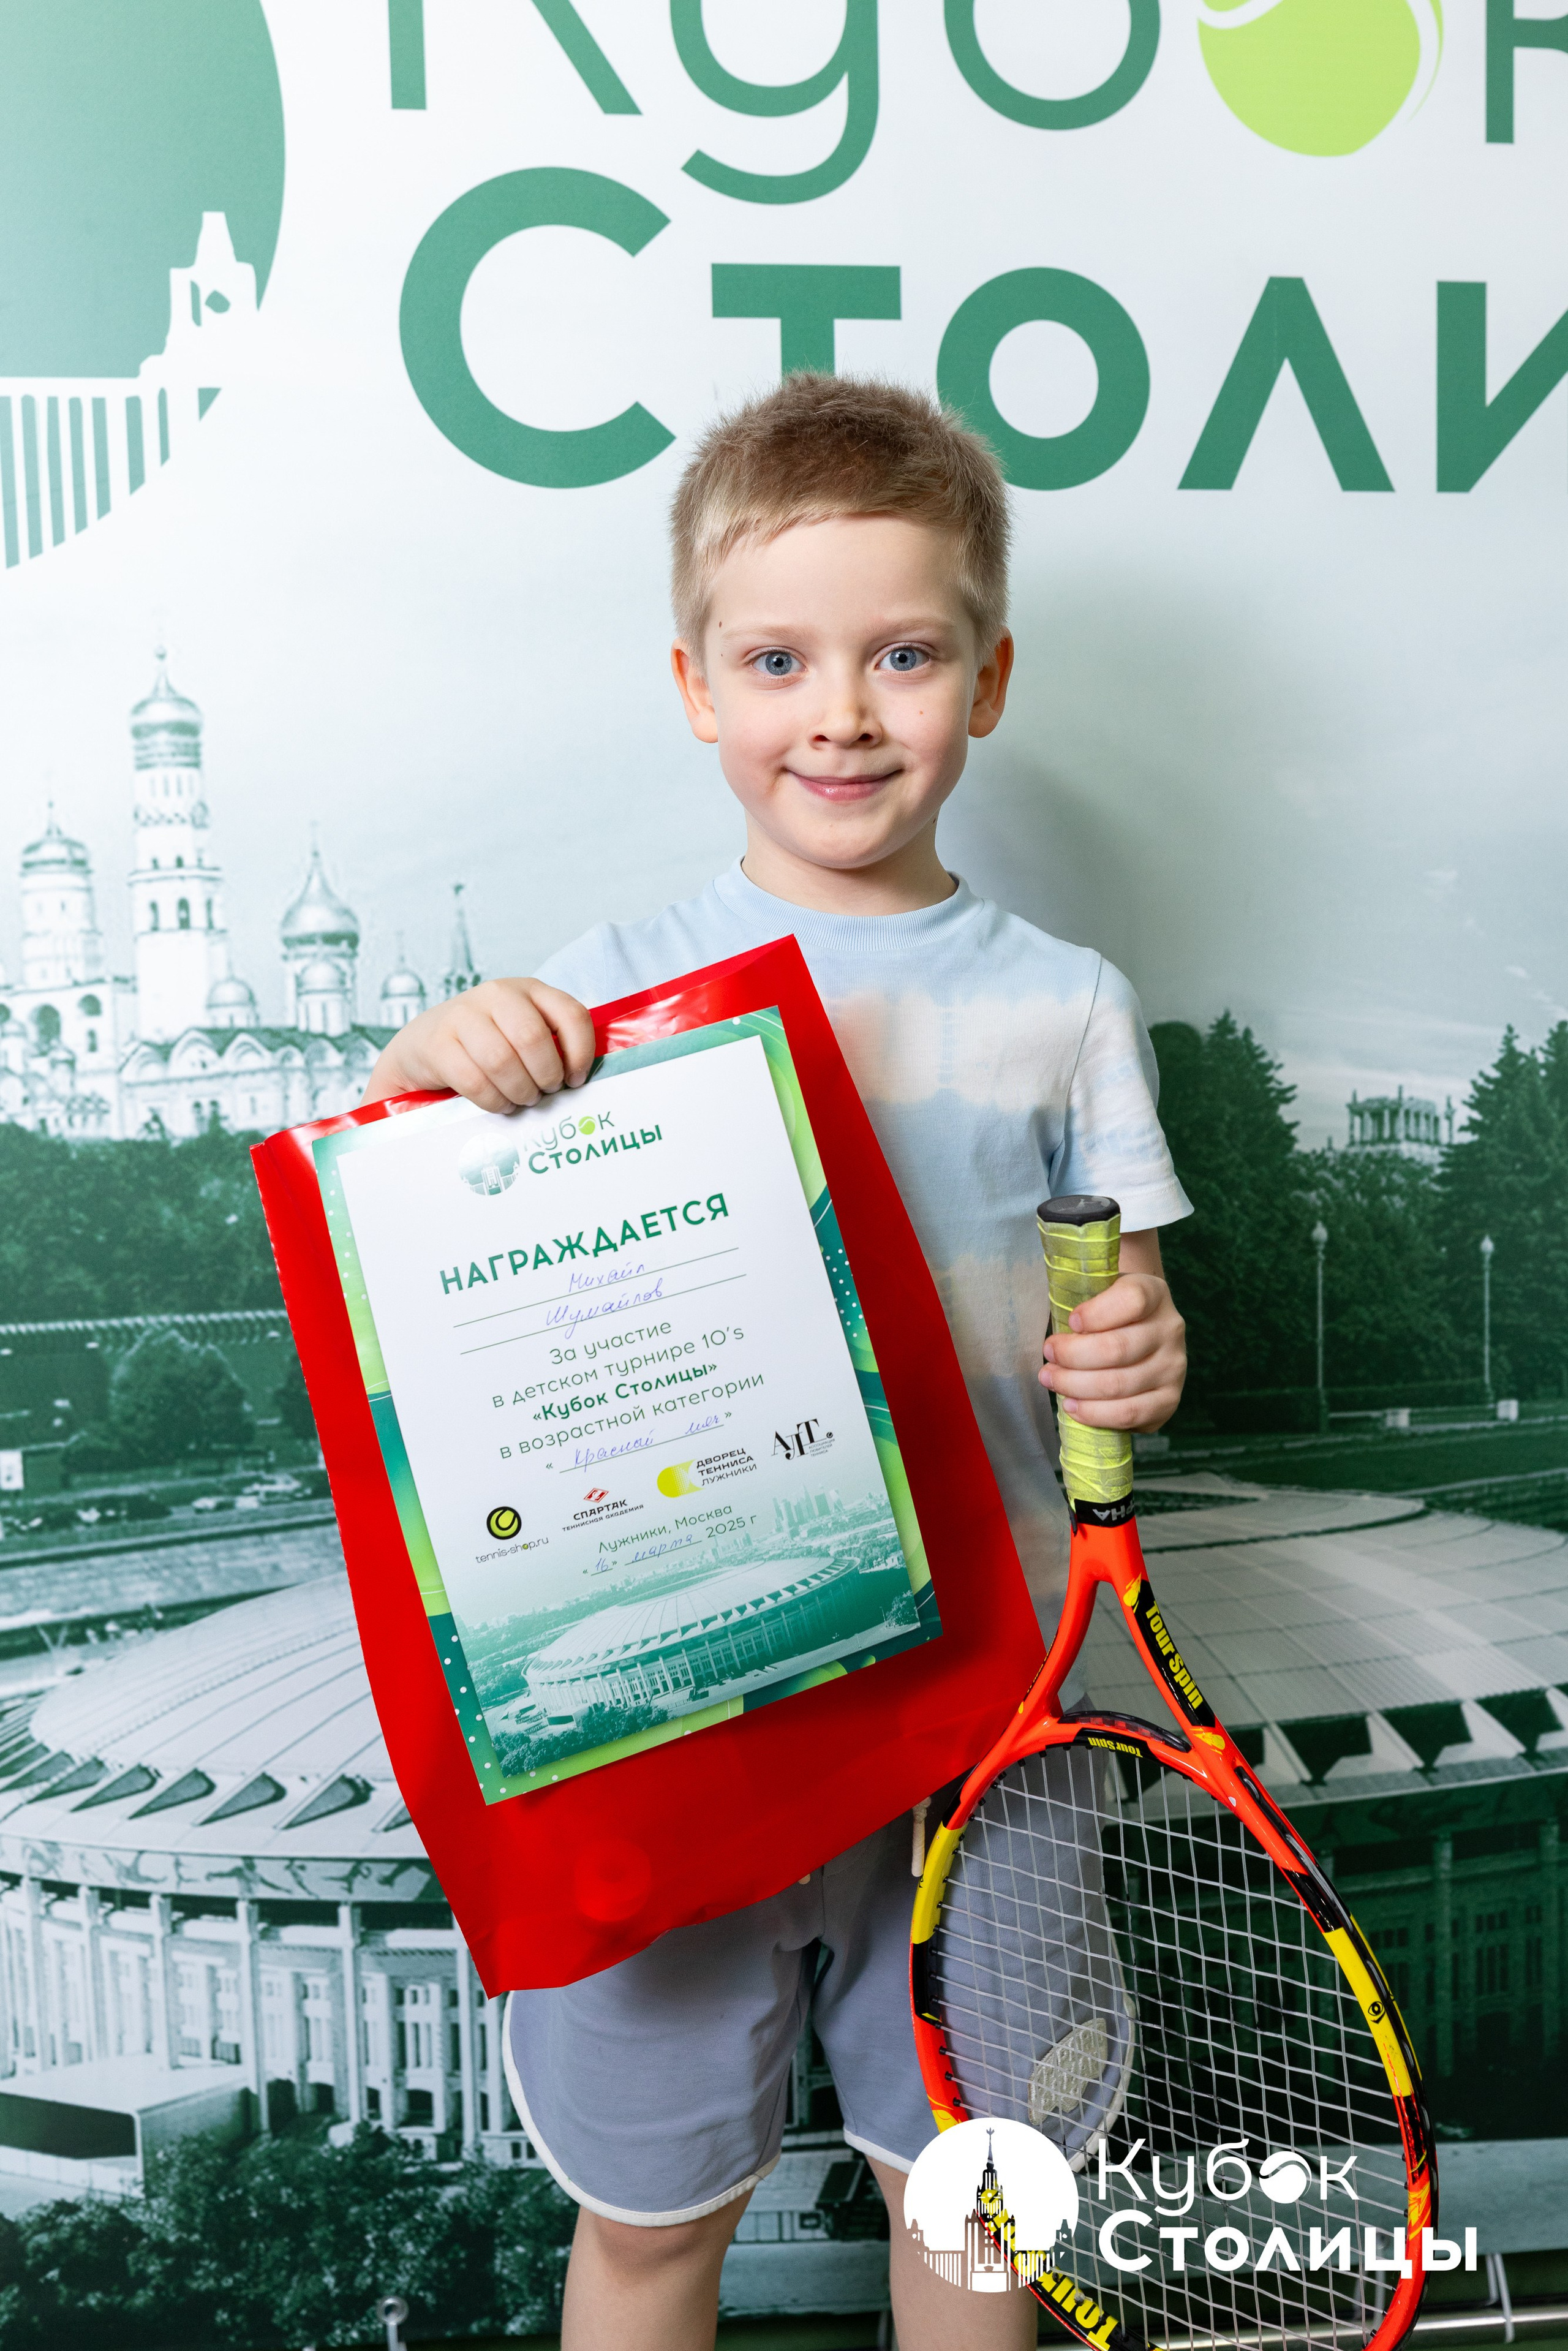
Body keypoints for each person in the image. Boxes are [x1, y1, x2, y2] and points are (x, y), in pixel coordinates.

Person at [365, 374, 1190, 2351]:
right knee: (651, 2230)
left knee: (979, 2223)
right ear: (693, 687)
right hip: (686, 1708)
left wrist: (1142, 1350)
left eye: (904, 655)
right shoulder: (605, 999)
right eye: (779, 659)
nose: (841, 710)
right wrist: (429, 1062)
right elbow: (407, 1222)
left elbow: (1131, 1311)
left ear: (986, 684)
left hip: (990, 1723)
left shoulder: (1067, 1005)